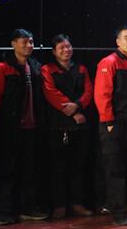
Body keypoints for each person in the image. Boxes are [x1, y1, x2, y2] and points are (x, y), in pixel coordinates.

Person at [0, 28, 48, 225]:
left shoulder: (36, 66)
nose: (28, 45)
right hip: (9, 127)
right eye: (24, 42)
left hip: (32, 127)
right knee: (7, 170)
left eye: (31, 42)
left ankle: (27, 208)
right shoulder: (2, 67)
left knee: (29, 169)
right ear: (13, 44)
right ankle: (4, 211)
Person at [94, 24, 127, 226]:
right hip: (115, 124)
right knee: (115, 169)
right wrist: (109, 122)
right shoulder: (109, 62)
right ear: (118, 41)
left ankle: (124, 203)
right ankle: (117, 212)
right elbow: (102, 94)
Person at [40, 34, 94, 219]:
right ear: (54, 51)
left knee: (78, 167)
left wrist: (77, 106)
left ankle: (77, 203)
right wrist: (72, 112)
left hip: (80, 125)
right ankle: (59, 205)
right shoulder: (47, 70)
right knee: (58, 168)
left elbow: (88, 91)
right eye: (62, 47)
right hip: (58, 125)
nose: (66, 50)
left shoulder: (81, 68)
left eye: (68, 46)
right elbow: (51, 93)